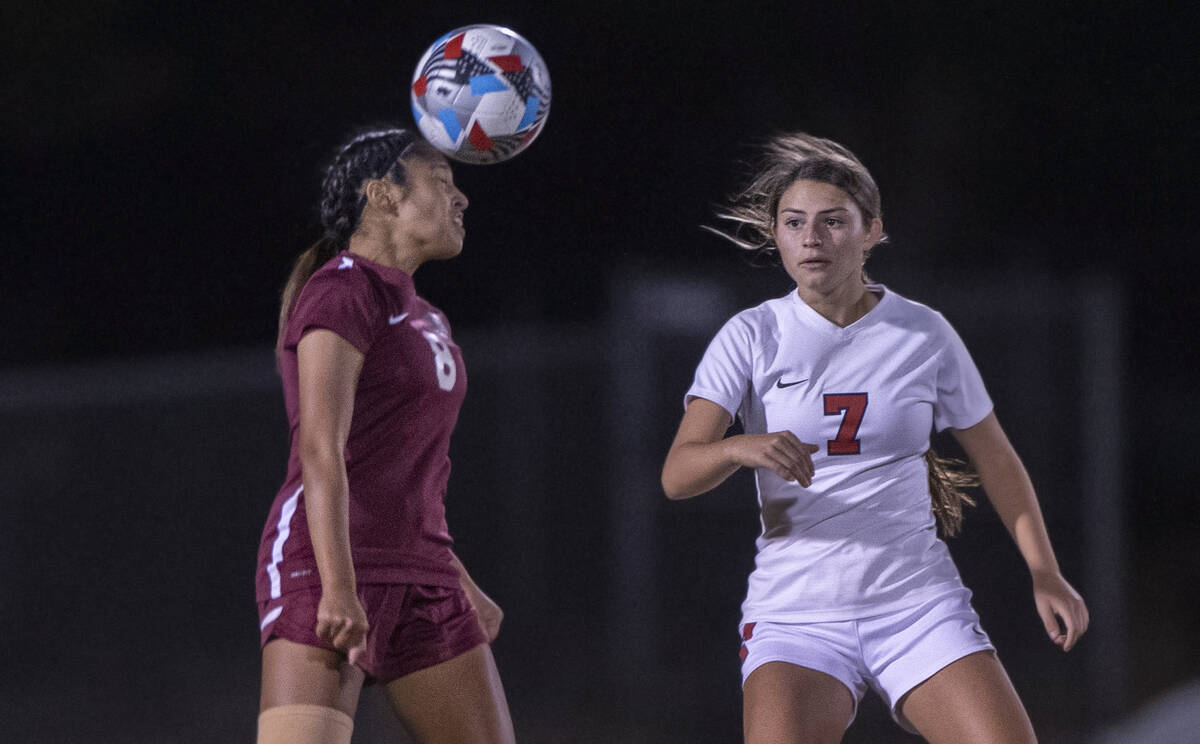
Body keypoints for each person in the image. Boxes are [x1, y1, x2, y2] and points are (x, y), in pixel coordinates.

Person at [660, 133, 1089, 743]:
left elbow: (997, 460)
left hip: (916, 603)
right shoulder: (752, 335)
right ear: (777, 234)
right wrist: (737, 447)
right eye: (794, 222)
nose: (811, 238)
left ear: (872, 232)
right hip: (797, 614)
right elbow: (677, 476)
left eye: (833, 222)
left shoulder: (923, 334)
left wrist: (1045, 572)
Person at [254, 126, 515, 744]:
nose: (462, 199)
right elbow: (321, 449)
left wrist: (462, 583)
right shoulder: (342, 291)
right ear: (383, 195)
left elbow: (406, 472)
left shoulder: (429, 319)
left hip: (424, 574)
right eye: (443, 181)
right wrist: (340, 587)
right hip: (324, 563)